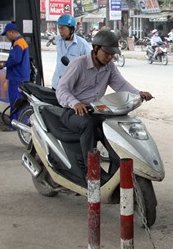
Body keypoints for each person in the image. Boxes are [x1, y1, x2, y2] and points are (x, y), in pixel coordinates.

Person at [55, 29, 153, 165]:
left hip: (96, 110)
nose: (109, 57)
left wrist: (138, 93)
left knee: (116, 127)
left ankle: (118, 167)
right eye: (107, 53)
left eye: (112, 55)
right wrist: (75, 103)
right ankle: (89, 170)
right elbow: (62, 89)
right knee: (88, 124)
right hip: (73, 111)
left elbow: (121, 84)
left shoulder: (110, 67)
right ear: (96, 48)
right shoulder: (79, 64)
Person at [0, 23, 30, 131]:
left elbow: (16, 59)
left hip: (17, 77)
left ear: (12, 32)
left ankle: (14, 125)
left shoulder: (18, 43)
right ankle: (22, 123)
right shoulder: (21, 42)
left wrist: (4, 64)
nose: (7, 37)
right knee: (20, 101)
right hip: (21, 76)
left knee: (15, 102)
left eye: (7, 34)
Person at [51, 14, 91, 89]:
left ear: (72, 29)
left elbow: (91, 64)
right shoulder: (58, 39)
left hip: (71, 88)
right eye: (59, 28)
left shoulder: (82, 45)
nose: (60, 31)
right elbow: (53, 40)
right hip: (56, 85)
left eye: (63, 28)